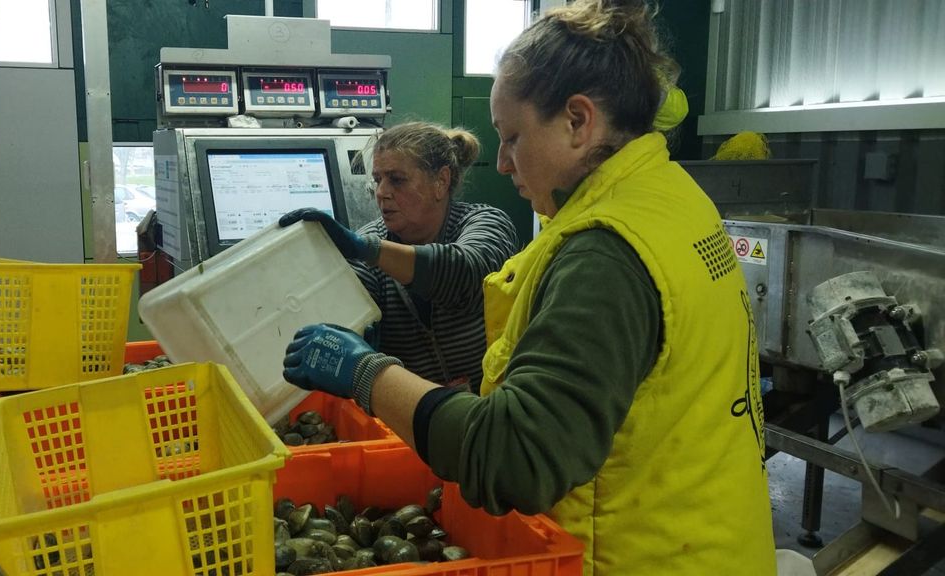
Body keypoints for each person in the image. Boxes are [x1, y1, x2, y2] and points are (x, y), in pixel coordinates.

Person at [282, 1, 776, 574]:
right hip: (716, 539)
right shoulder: (672, 196)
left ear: (577, 121)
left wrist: (366, 374)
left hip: (638, 555)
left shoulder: (607, 252)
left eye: (512, 137)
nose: (502, 160)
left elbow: (516, 458)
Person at [279, 122, 518, 391]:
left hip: (489, 407)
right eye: (378, 179)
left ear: (441, 181)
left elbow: (465, 273)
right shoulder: (369, 245)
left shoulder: (486, 223)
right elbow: (345, 304)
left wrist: (368, 249)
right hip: (412, 414)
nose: (381, 192)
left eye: (397, 179)